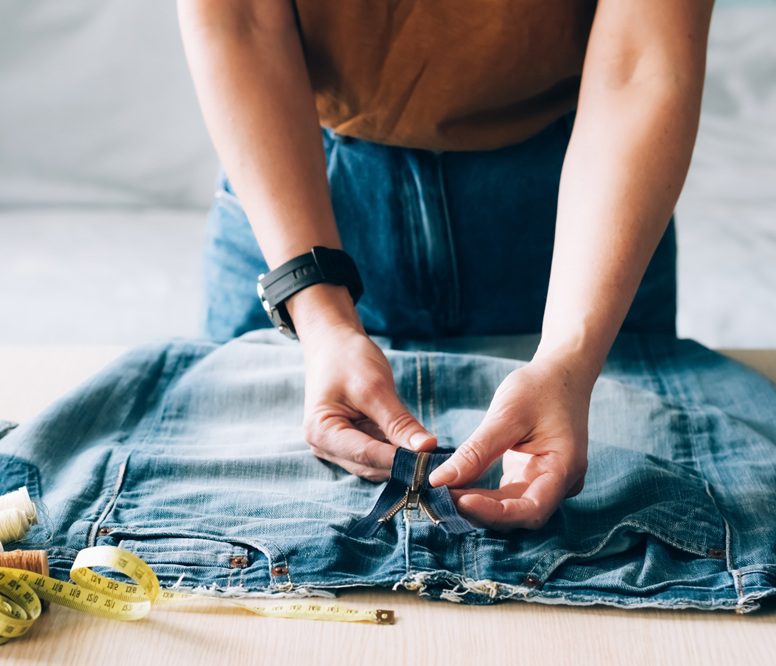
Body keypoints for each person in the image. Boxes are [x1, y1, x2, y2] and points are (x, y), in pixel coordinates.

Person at [176, 0, 714, 531]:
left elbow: (640, 59)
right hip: (292, 197)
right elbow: (239, 19)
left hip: (585, 220)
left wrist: (568, 363)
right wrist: (319, 317)